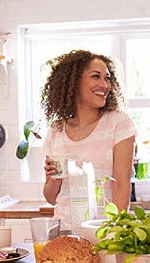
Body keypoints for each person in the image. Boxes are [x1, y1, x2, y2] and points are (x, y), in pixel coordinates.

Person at [41, 50, 137, 231]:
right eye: (96, 76)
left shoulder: (118, 123)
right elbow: (51, 197)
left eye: (107, 78)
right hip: (65, 232)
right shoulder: (56, 130)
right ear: (74, 81)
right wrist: (54, 179)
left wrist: (115, 232)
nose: (104, 84)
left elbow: (122, 186)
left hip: (103, 232)